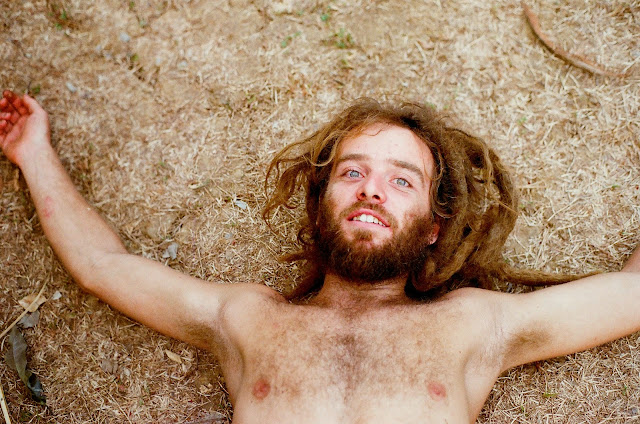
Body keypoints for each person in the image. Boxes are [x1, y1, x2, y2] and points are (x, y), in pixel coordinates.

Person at [1, 89, 638, 423]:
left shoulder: (475, 323)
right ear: (319, 207)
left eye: (402, 181)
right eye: (352, 172)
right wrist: (34, 152)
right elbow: (102, 267)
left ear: (434, 229)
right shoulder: (247, 319)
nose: (371, 189)